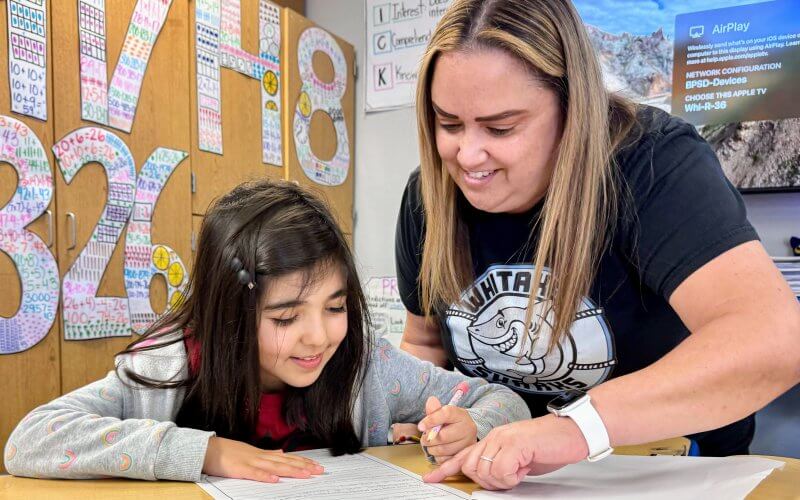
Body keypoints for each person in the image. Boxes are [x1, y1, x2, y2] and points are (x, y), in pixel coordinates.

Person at [395, 0, 800, 490]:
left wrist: (572, 429)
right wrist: (423, 416)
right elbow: (424, 344)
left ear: (574, 109)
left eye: (501, 128)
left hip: (670, 473)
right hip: (503, 479)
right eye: (449, 124)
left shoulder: (652, 164)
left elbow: (775, 341)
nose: (468, 156)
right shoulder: (429, 197)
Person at [4, 179, 529, 483]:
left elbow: (501, 399)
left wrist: (473, 426)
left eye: (336, 306)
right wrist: (202, 452)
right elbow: (28, 442)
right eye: (285, 318)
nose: (319, 337)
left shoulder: (368, 367)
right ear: (228, 316)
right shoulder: (166, 369)